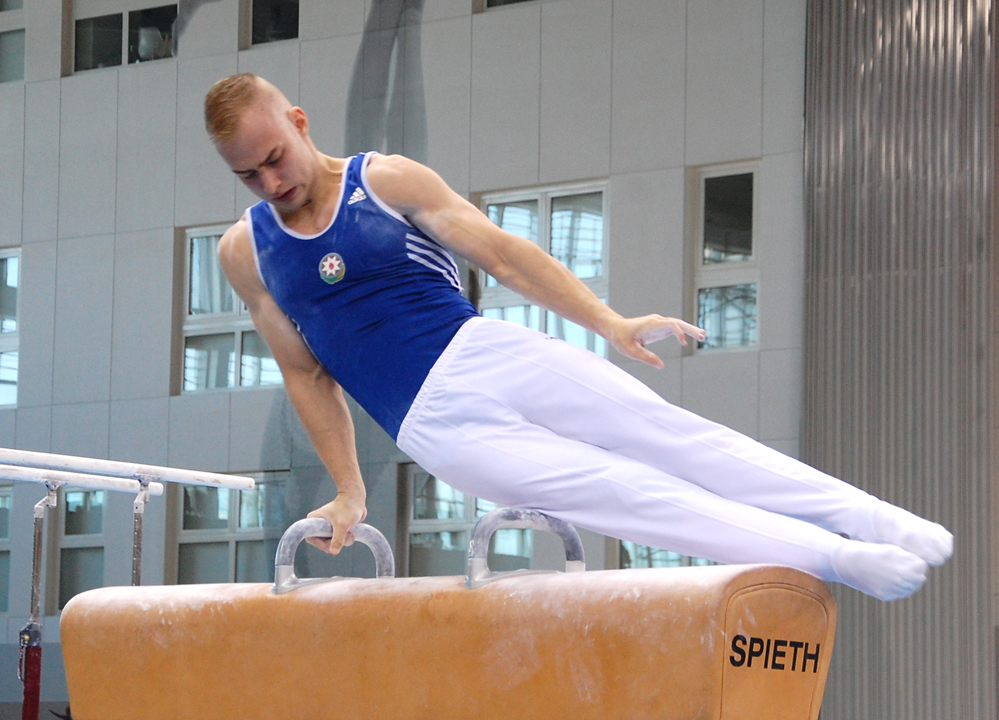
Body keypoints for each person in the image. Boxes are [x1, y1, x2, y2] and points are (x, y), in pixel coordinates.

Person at [204, 74, 952, 601]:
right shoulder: (245, 254)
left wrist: (610, 322)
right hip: (433, 427)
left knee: (673, 437)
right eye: (248, 176)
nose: (270, 183)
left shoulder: (387, 180)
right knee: (624, 495)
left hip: (486, 352)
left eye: (275, 157)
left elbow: (503, 255)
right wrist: (348, 491)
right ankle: (839, 559)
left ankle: (871, 518)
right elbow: (306, 375)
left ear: (299, 122)